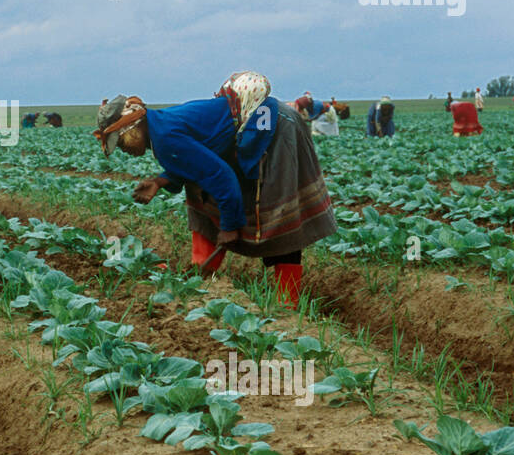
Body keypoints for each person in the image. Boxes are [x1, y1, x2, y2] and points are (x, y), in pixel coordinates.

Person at [93, 73, 336, 306]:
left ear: (131, 128)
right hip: (264, 126)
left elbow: (220, 176)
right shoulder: (161, 128)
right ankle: (204, 275)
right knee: (201, 194)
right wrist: (160, 182)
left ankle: (287, 302)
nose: (122, 150)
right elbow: (197, 160)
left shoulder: (165, 137)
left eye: (120, 143)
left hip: (276, 130)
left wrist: (230, 226)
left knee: (278, 212)